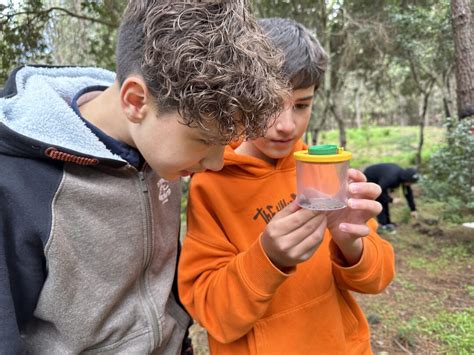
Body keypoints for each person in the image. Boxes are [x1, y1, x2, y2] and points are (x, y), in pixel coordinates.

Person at [0, 1, 289, 353]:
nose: (215, 163)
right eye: (204, 142)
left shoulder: (162, 149)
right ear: (135, 101)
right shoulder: (18, 181)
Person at [178, 18, 395, 354]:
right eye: (268, 105)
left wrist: (351, 243)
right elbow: (213, 312)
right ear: (239, 98)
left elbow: (378, 278)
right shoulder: (211, 184)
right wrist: (269, 257)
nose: (286, 125)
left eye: (302, 105)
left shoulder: (322, 170)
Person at [364, 163, 419, 234]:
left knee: (384, 200)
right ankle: (383, 225)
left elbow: (408, 194)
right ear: (406, 179)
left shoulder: (403, 177)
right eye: (410, 183)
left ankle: (387, 223)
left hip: (382, 180)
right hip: (370, 176)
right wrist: (391, 200)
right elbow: (380, 192)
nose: (410, 184)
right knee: (381, 201)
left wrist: (413, 209)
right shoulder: (391, 178)